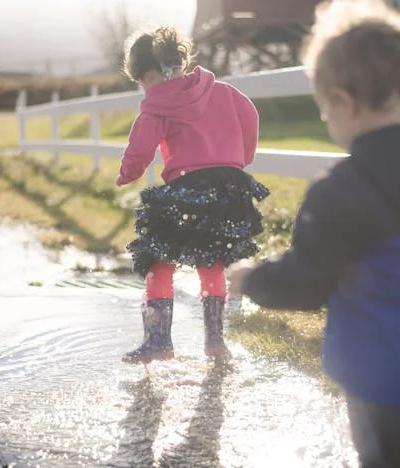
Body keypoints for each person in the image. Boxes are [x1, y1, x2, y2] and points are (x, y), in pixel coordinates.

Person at [227, 1, 400, 466]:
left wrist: (252, 278)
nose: (327, 121)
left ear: (344, 100)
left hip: (380, 373)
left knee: (381, 456)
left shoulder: (343, 192)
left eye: (324, 110)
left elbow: (304, 282)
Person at [116, 26, 269, 364]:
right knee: (211, 261)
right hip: (229, 187)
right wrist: (240, 158)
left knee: (158, 263)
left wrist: (127, 173)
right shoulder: (225, 92)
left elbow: (140, 148)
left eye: (142, 81)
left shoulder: (157, 104)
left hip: (186, 187)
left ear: (150, 73)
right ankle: (215, 343)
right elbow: (250, 118)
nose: (144, 88)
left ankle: (159, 342)